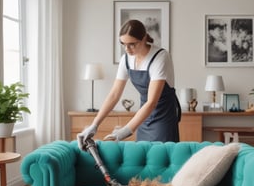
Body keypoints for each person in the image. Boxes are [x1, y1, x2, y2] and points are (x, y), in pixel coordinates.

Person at [77, 19, 181, 148]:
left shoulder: (160, 56)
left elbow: (152, 102)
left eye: (132, 44)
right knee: (143, 156)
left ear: (143, 39)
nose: (127, 49)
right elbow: (114, 95)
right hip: (142, 116)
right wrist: (94, 125)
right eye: (123, 44)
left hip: (163, 116)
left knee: (161, 157)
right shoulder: (126, 59)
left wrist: (124, 132)